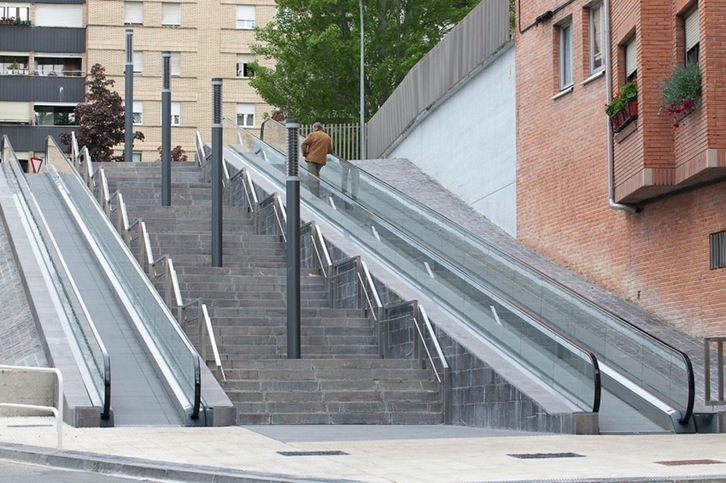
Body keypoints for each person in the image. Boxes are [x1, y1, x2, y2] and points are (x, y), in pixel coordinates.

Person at [301, 122, 333, 196]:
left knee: (312, 176)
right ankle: (316, 192)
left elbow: (303, 143)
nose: (312, 130)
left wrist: (304, 153)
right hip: (321, 160)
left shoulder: (313, 134)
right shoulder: (327, 137)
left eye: (313, 128)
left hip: (311, 159)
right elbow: (330, 150)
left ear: (316, 128)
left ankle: (313, 194)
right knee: (317, 175)